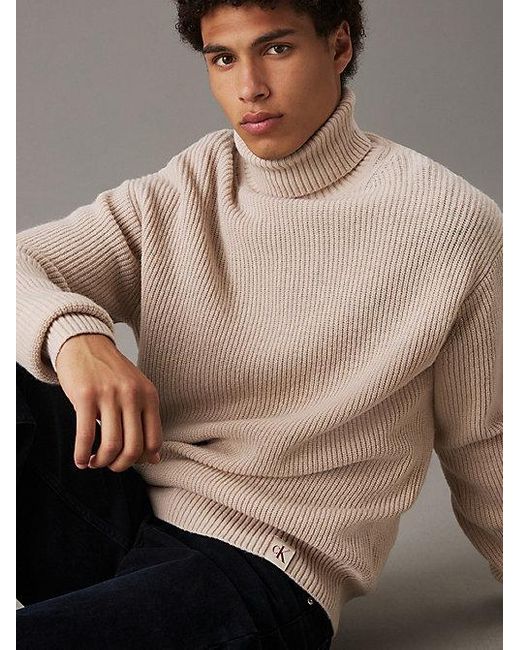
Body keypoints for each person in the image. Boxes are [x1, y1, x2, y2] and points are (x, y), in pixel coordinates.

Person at [16, 0, 502, 647]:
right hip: (128, 512)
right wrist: (74, 334)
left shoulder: (450, 222)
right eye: (223, 58)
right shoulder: (192, 183)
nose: (249, 87)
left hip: (265, 566)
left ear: (338, 47)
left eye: (276, 49)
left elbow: (487, 439)